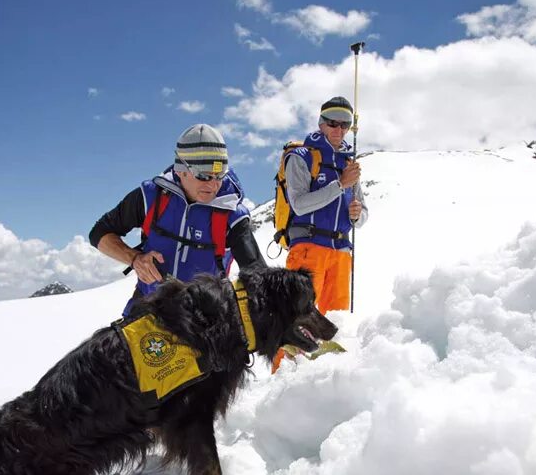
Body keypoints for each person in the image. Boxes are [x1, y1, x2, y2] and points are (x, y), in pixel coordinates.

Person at [90, 124, 265, 316]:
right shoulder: (151, 197)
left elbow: (259, 277)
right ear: (181, 169)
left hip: (203, 322)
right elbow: (99, 233)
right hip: (147, 310)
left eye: (220, 175)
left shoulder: (232, 215)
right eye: (204, 175)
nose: (214, 184)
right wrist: (135, 258)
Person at [273, 96, 368, 368]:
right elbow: (300, 204)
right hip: (308, 247)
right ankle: (281, 380)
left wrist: (357, 214)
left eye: (344, 124)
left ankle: (325, 383)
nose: (338, 129)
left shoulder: (349, 164)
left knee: (335, 323)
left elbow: (363, 216)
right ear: (321, 123)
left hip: (341, 252)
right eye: (332, 123)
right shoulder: (301, 156)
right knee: (296, 319)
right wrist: (340, 184)